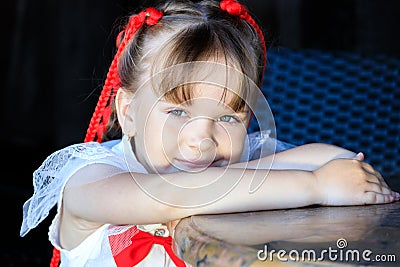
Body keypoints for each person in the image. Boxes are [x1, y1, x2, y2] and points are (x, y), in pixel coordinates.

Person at [20, 0, 399, 266]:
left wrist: (331, 173)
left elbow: (336, 159)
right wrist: (315, 186)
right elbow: (171, 196)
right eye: (177, 111)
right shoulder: (91, 181)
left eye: (229, 118)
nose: (201, 140)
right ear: (129, 112)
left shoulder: (235, 164)